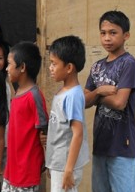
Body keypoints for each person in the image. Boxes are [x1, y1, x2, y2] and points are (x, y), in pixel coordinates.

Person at [84, 10, 135, 192]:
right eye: (103, 33)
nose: (107, 38)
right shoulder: (97, 66)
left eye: (113, 33)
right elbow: (84, 101)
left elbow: (119, 103)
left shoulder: (128, 64)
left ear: (126, 36)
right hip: (101, 144)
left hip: (122, 146)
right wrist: (101, 91)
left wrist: (96, 96)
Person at [44, 36, 89, 192]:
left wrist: (68, 169)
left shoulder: (73, 96)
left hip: (65, 165)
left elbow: (77, 134)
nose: (50, 68)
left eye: (54, 64)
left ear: (69, 68)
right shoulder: (64, 92)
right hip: (59, 163)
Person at [2, 41, 48, 191]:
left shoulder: (34, 95)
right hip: (13, 168)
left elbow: (44, 130)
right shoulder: (17, 92)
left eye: (9, 64)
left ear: (22, 67)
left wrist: (45, 160)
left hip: (26, 170)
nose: (7, 68)